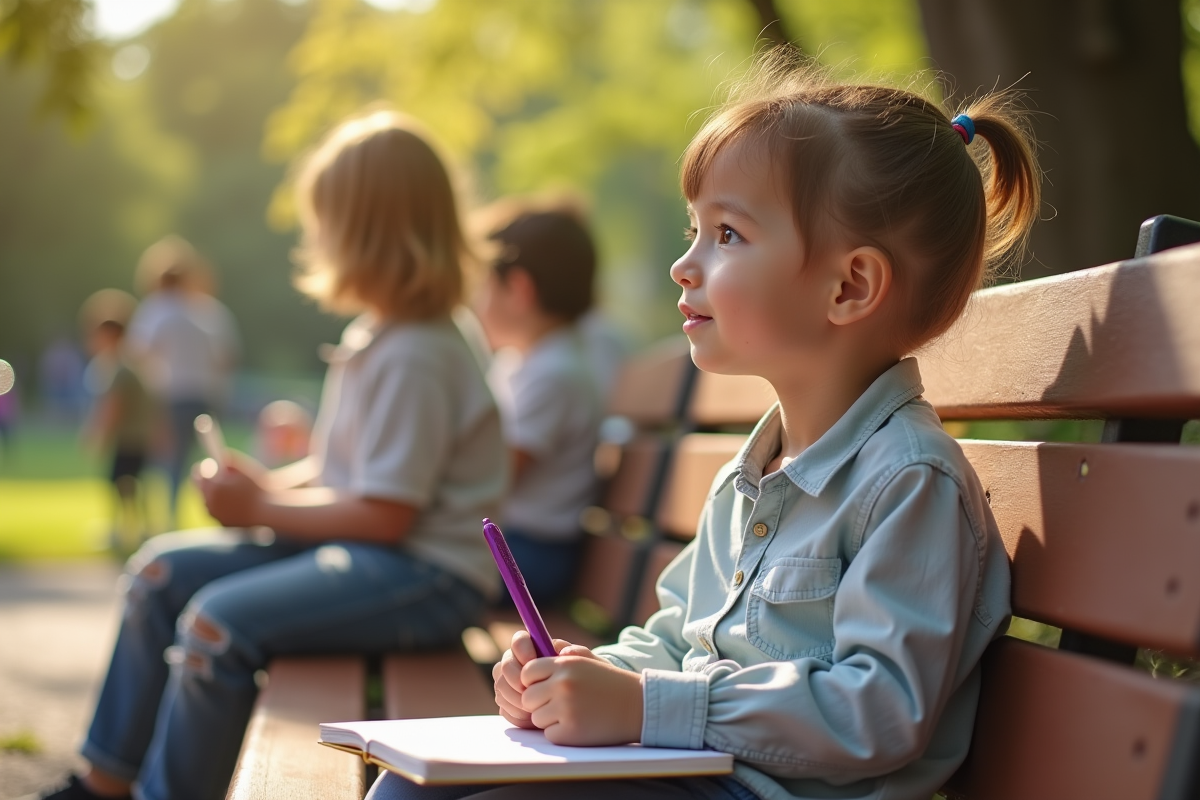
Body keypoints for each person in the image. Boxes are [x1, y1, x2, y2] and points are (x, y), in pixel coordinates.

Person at [369, 48, 1037, 800]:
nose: (685, 266)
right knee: (412, 788)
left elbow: (878, 712)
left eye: (727, 235)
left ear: (849, 285)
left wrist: (649, 707)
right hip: (694, 774)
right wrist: (580, 677)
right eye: (695, 230)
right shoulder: (750, 476)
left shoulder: (910, 483)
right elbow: (677, 638)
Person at [36, 109, 507, 800]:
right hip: (377, 557)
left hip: (429, 577)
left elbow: (386, 515)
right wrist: (269, 486)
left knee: (216, 625)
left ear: (369, 233)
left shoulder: (420, 351)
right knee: (158, 573)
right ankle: (102, 782)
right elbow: (343, 470)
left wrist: (261, 508)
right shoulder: (379, 334)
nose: (313, 240)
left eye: (324, 224)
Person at [472, 197, 606, 604]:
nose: (475, 304)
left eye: (482, 286)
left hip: (533, 555)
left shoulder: (554, 372)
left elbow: (494, 473)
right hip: (515, 546)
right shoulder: (523, 363)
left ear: (518, 290)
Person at [126, 236, 240, 524]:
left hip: (169, 396)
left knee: (167, 461)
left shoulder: (156, 309)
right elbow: (226, 358)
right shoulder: (206, 310)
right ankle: (212, 517)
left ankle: (168, 519)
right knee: (206, 458)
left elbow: (136, 354)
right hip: (204, 394)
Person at [79, 290, 156, 551]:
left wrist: (98, 434)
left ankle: (124, 530)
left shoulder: (120, 368)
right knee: (131, 483)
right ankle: (138, 529)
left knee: (121, 482)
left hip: (129, 437)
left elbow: (113, 406)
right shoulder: (129, 364)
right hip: (137, 436)